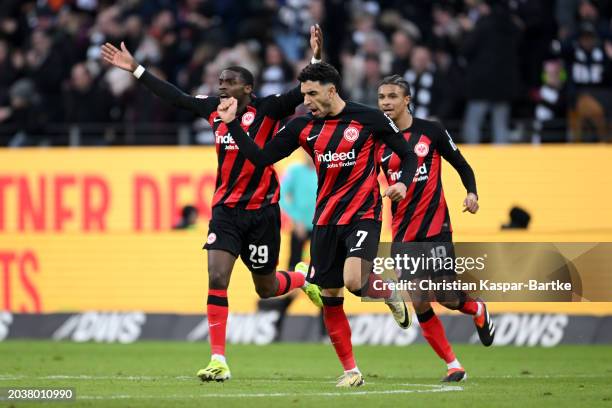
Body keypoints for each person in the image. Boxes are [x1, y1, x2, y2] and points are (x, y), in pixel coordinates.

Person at [100, 25, 325, 383]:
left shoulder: (268, 109)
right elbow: (175, 97)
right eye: (220, 80)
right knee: (217, 276)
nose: (221, 86)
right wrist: (136, 69)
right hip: (225, 213)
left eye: (230, 81)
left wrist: (315, 55)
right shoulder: (213, 111)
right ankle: (218, 359)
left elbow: (305, 89)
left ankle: (302, 277)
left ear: (248, 88)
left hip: (263, 212)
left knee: (265, 289)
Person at [216, 62, 417, 388]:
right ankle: (352, 371)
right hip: (325, 220)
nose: (305, 100)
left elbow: (408, 155)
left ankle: (388, 291)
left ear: (331, 90)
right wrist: (233, 126)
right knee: (329, 294)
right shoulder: (301, 126)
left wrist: (404, 184)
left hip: (363, 214)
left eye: (311, 93)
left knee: (354, 280)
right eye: (303, 93)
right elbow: (262, 158)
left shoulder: (368, 118)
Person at [376, 75, 495, 382]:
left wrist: (471, 194)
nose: (386, 102)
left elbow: (462, 165)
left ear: (407, 100)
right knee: (418, 298)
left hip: (436, 227)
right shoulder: (377, 140)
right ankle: (453, 364)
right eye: (381, 97)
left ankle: (477, 309)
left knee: (446, 297)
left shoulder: (431, 131)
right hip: (402, 233)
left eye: (392, 96)